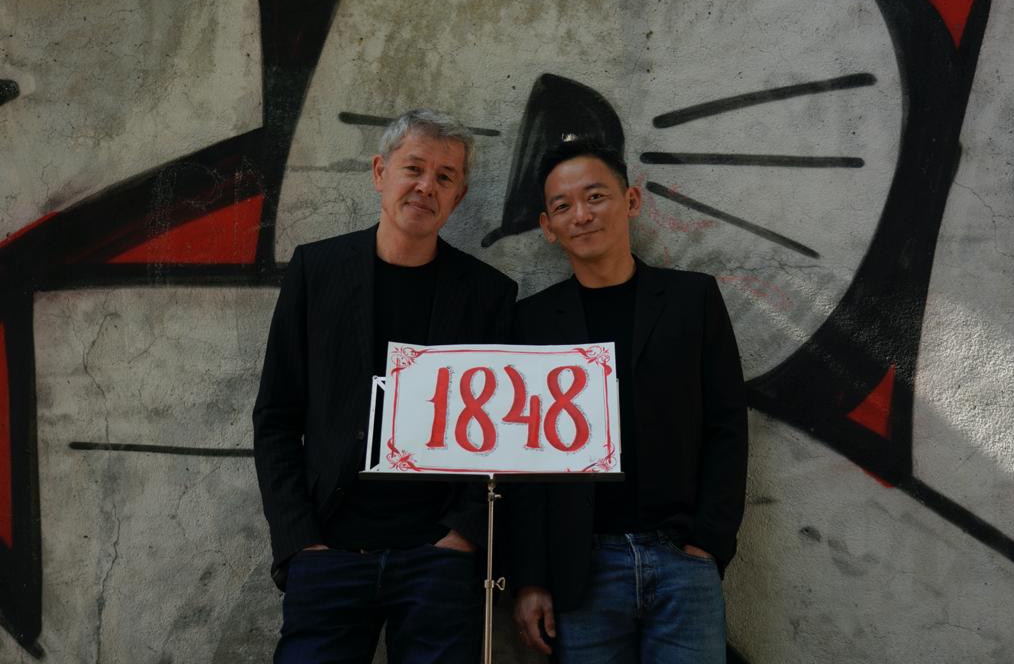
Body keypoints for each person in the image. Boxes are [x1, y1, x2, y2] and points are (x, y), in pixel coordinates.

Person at [253, 109, 517, 663]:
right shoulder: (316, 270)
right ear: (380, 172)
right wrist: (300, 542)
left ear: (459, 196)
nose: (426, 186)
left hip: (437, 560)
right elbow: (276, 416)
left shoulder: (488, 294)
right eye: (413, 168)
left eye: (444, 177)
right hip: (328, 550)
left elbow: (503, 436)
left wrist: (462, 538)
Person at [509, 138, 747, 663]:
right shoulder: (532, 322)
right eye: (563, 206)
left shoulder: (693, 299)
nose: (581, 215)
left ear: (631, 201)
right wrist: (530, 578)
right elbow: (523, 465)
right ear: (548, 226)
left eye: (595, 196)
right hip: (581, 570)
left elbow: (727, 425)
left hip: (682, 558)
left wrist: (708, 543)